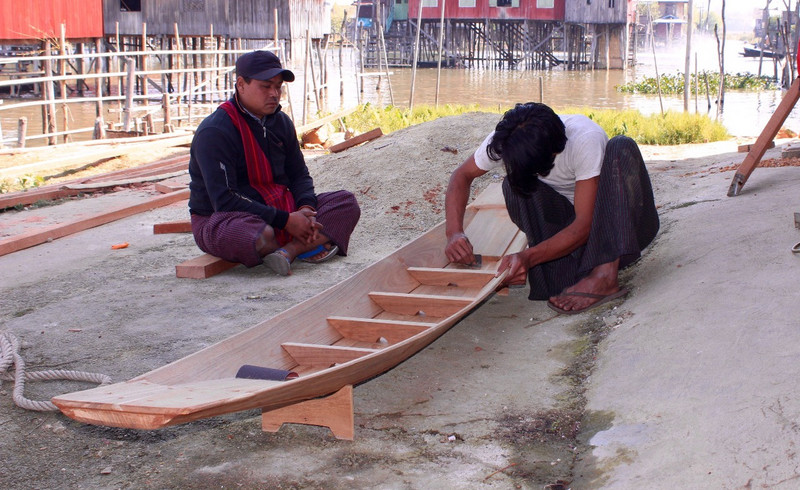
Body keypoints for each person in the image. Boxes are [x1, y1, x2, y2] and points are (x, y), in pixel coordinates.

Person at [444, 102, 659, 314]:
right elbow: (461, 176)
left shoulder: (585, 139)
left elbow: (584, 223)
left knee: (621, 146)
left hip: (617, 231)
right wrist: (454, 233)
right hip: (571, 233)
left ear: (553, 153)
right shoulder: (508, 140)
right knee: (513, 184)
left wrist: (528, 257)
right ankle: (574, 273)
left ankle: (605, 275)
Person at [188, 50, 360, 276]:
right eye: (265, 86)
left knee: (346, 203)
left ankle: (289, 251)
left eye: (278, 87)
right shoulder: (216, 131)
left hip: (282, 208)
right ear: (241, 84)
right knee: (258, 235)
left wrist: (305, 209)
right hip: (224, 217)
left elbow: (299, 174)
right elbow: (224, 199)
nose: (274, 93)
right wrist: (286, 221)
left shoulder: (281, 123)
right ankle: (306, 241)